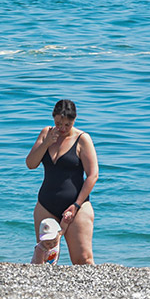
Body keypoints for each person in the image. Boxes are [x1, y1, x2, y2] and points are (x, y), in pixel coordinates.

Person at [26, 99, 98, 264]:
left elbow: (93, 175)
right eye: (59, 124)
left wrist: (76, 205)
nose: (63, 128)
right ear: (53, 118)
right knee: (43, 259)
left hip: (77, 206)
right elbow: (31, 164)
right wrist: (46, 143)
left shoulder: (82, 139)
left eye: (68, 124)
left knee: (84, 260)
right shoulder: (46, 133)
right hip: (46, 205)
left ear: (74, 120)